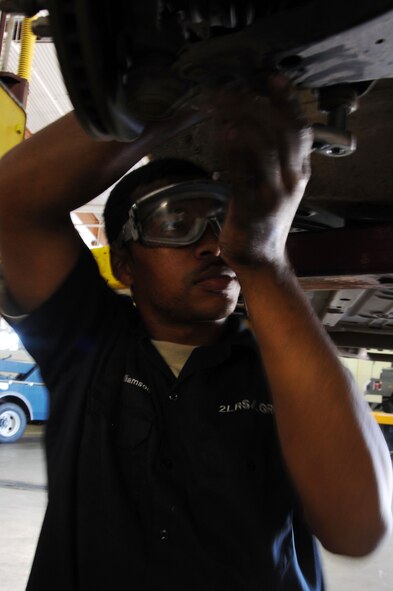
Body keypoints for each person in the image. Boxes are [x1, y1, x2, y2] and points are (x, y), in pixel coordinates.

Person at [0, 73, 392, 591]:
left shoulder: (282, 366)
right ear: (125, 264)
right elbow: (11, 203)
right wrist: (181, 87)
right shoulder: (87, 343)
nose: (211, 245)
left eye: (219, 221)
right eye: (174, 222)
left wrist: (263, 259)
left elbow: (357, 525)